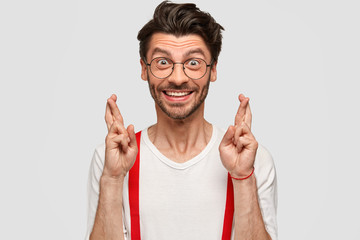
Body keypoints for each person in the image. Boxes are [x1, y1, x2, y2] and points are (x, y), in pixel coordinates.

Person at [85, 1, 277, 240]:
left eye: (193, 62)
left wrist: (242, 177)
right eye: (162, 62)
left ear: (213, 69)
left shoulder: (252, 159)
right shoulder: (110, 159)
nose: (177, 78)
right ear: (144, 69)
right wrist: (113, 179)